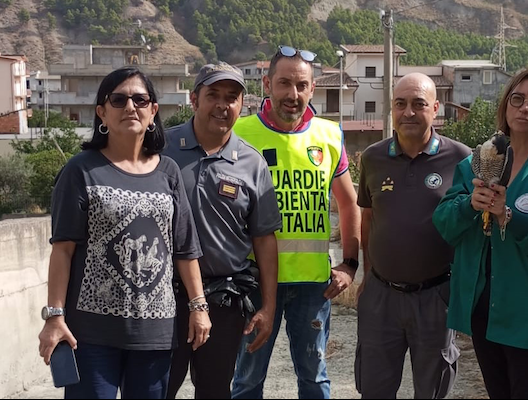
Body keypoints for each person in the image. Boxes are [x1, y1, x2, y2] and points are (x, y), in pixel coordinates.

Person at [36, 66, 211, 400]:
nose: (131, 107)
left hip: (154, 332)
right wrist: (54, 317)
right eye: (119, 99)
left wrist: (198, 306)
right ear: (102, 112)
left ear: (153, 112)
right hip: (90, 335)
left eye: (140, 99)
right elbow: (62, 250)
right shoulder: (80, 170)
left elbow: (184, 249)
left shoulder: (169, 172)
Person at [433, 67, 528, 399]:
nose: (524, 108)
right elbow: (444, 222)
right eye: (517, 98)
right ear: (506, 105)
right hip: (486, 309)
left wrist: (509, 216)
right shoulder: (480, 159)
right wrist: (469, 205)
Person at [230, 46, 361, 399]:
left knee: (315, 379)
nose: (293, 94)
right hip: (254, 279)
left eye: (301, 85)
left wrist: (350, 264)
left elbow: (349, 203)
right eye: (284, 83)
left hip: (312, 285)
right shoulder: (239, 135)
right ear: (267, 84)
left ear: (313, 88)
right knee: (246, 380)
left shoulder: (330, 135)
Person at [163, 63, 281, 399]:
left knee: (215, 391)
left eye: (232, 97)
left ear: (242, 104)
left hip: (223, 300)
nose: (222, 105)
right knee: (155, 389)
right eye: (213, 94)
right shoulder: (159, 149)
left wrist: (268, 308)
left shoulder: (251, 162)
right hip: (164, 299)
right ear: (194, 98)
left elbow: (264, 239)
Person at [354, 73, 470, 399]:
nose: (409, 112)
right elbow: (368, 217)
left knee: (432, 391)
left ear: (435, 108)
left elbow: (472, 222)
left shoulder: (462, 159)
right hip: (381, 297)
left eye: (419, 104)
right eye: (401, 104)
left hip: (436, 298)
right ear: (392, 108)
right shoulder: (373, 158)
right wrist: (366, 276)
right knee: (374, 390)